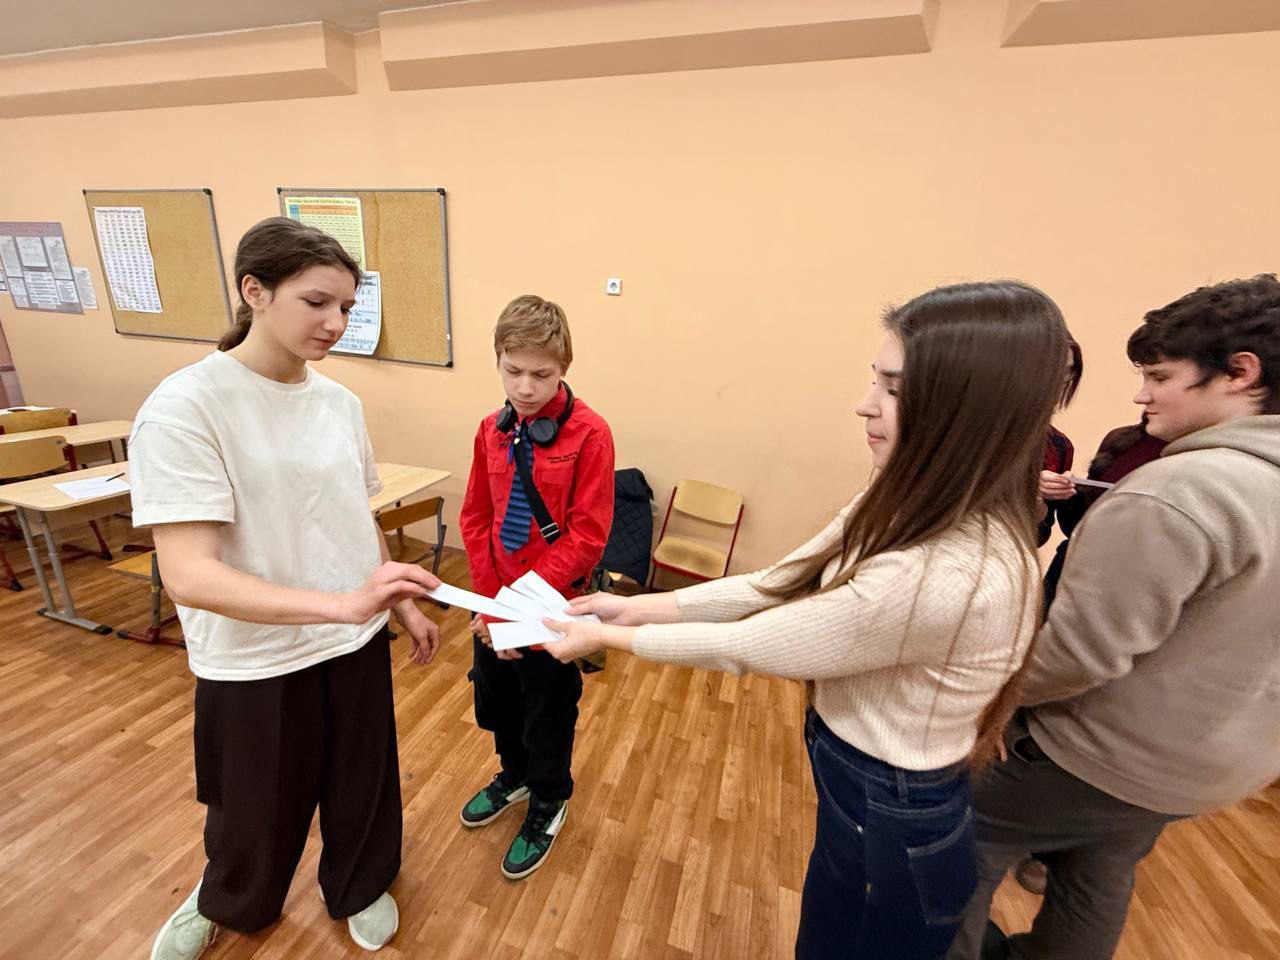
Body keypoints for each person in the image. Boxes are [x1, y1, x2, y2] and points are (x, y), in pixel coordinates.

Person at [544, 281, 1071, 958]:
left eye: (892, 389)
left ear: (963, 410)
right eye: (874, 380)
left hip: (896, 813)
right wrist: (635, 604)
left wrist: (608, 636)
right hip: (856, 790)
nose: (865, 404)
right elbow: (780, 582)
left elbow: (756, 644)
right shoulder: (906, 497)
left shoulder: (952, 573)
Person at [947, 274, 1280, 960]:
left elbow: (1078, 655)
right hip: (1207, 767)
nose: (1141, 395)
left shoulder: (1179, 492)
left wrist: (983, 706)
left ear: (1240, 373)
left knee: (957, 848)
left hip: (1094, 756)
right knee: (1095, 873)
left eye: (1160, 376)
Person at [138, 217, 441, 960]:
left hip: (353, 639)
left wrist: (398, 602)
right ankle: (229, 898)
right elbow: (189, 573)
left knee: (362, 782)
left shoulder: (339, 404)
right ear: (255, 291)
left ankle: (361, 884)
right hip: (255, 657)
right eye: (316, 302)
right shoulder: (187, 406)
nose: (336, 322)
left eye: (346, 306)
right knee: (251, 805)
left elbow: (356, 517)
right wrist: (341, 604)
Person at [458, 294, 615, 880]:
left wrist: (514, 606)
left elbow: (588, 537)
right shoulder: (489, 431)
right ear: (499, 361)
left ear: (564, 367)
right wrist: (487, 604)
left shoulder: (591, 434)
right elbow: (475, 517)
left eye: (541, 375)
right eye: (513, 371)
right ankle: (515, 775)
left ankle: (548, 798)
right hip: (494, 606)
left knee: (548, 710)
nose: (525, 388)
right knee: (497, 700)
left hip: (551, 607)